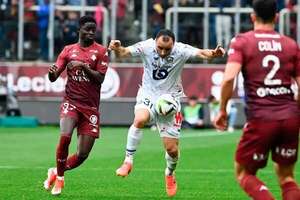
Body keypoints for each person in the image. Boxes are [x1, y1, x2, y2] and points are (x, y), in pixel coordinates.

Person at [109, 29, 225, 197]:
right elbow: (124, 52)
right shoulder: (146, 46)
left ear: (174, 45)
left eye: (167, 49)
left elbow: (202, 53)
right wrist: (117, 47)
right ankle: (128, 160)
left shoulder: (181, 50)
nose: (163, 52)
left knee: (172, 150)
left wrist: (214, 54)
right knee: (140, 119)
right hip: (148, 94)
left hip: (170, 100)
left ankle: (169, 173)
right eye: (160, 48)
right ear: (154, 41)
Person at [214, 0, 300, 199]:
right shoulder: (290, 44)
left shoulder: (242, 41)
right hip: (289, 117)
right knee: (287, 177)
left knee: (244, 173)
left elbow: (228, 79)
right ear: (276, 17)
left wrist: (222, 110)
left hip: (262, 118)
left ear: (252, 17)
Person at [43, 16, 109, 196]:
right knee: (65, 137)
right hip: (71, 101)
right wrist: (51, 73)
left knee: (82, 155)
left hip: (91, 107)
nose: (91, 33)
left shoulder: (102, 51)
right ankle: (60, 180)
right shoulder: (68, 50)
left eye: (93, 30)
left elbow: (100, 79)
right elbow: (54, 75)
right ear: (78, 30)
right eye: (87, 29)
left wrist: (83, 66)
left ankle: (55, 171)